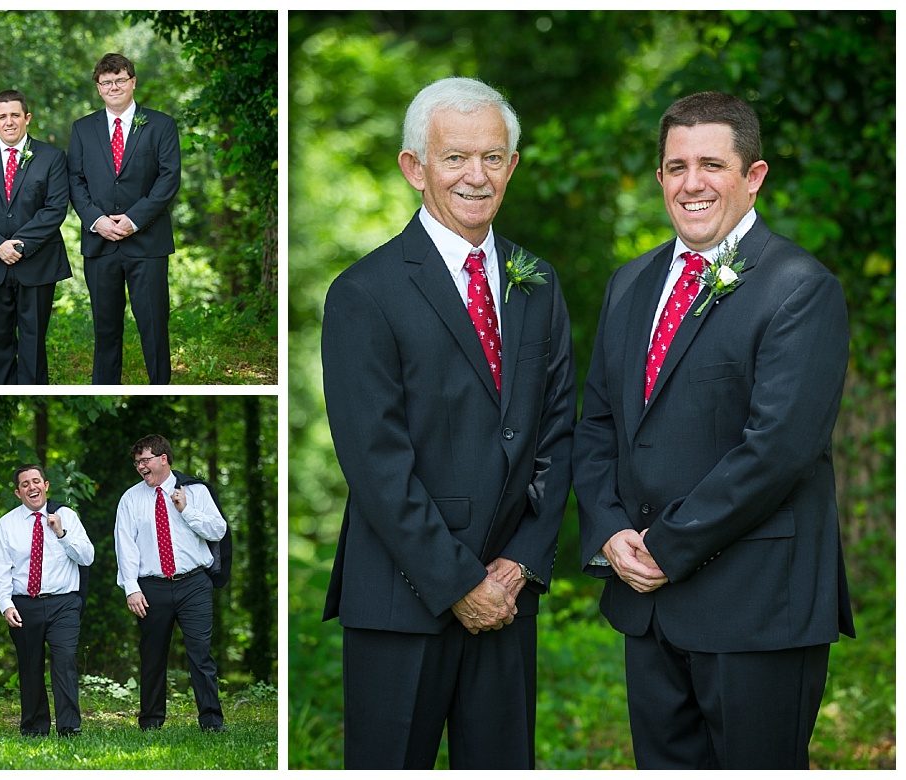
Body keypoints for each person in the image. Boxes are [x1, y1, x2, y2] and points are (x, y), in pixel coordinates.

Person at [572, 91, 854, 769]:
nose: (690, 183)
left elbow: (778, 448)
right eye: (675, 166)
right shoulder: (630, 284)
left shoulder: (798, 287)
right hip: (647, 606)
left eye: (710, 164)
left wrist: (664, 547)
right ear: (660, 176)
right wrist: (611, 532)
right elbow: (598, 425)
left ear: (752, 176)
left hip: (757, 603)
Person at [320, 77, 576, 769]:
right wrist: (460, 581)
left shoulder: (538, 282)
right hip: (404, 595)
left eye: (494, 157)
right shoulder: (363, 293)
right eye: (456, 157)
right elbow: (375, 460)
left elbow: (558, 435)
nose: (476, 174)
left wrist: (519, 562)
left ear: (513, 166)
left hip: (507, 591)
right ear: (414, 167)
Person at [68, 53, 181, 384]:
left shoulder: (161, 124)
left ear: (133, 82)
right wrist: (95, 220)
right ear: (98, 88)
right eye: (106, 82)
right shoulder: (83, 128)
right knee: (105, 329)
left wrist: (133, 219)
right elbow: (75, 180)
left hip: (147, 242)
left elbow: (168, 178)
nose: (113, 87)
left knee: (154, 326)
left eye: (119, 80)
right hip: (99, 243)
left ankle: (160, 384)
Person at [114, 435, 227, 732]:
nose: (140, 467)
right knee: (152, 655)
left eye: (145, 460)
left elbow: (218, 530)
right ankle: (151, 722)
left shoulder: (196, 491)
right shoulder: (130, 499)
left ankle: (212, 722)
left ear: (163, 459)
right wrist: (131, 588)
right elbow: (125, 546)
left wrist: (186, 510)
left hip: (194, 584)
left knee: (201, 654)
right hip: (151, 587)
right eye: (137, 462)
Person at [0, 90, 72, 384]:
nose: (9, 122)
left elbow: (55, 207)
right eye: (3, 116)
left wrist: (20, 245)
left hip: (37, 261)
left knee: (34, 339)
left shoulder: (52, 157)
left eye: (15, 115)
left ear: (27, 118)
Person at [0, 464, 95, 736]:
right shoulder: (7, 525)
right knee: (29, 665)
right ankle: (35, 727)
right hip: (24, 605)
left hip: (64, 603)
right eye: (25, 484)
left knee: (65, 660)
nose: (32, 487)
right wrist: (6, 605)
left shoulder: (67, 517)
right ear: (17, 492)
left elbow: (87, 557)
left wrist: (62, 533)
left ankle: (69, 727)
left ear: (46, 485)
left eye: (36, 481)